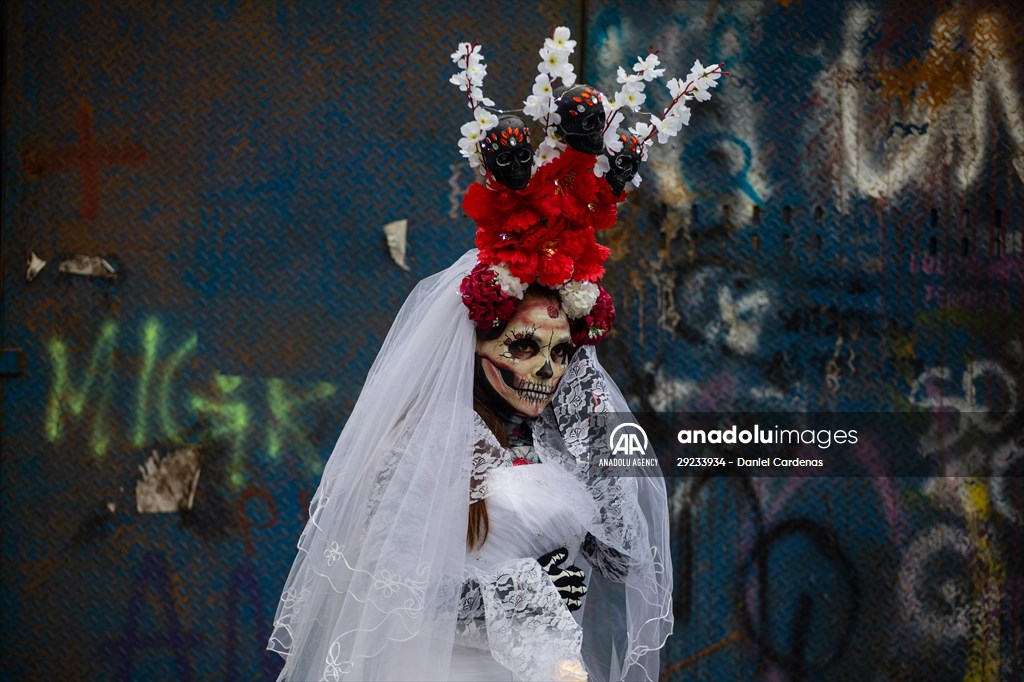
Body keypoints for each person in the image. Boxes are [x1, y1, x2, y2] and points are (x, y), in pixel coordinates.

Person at [269, 26, 725, 681]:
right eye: (522, 345)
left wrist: (586, 397)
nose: (545, 367)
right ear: (475, 337)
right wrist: (532, 606)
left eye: (562, 350)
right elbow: (396, 586)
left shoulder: (563, 438)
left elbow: (626, 552)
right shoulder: (418, 448)